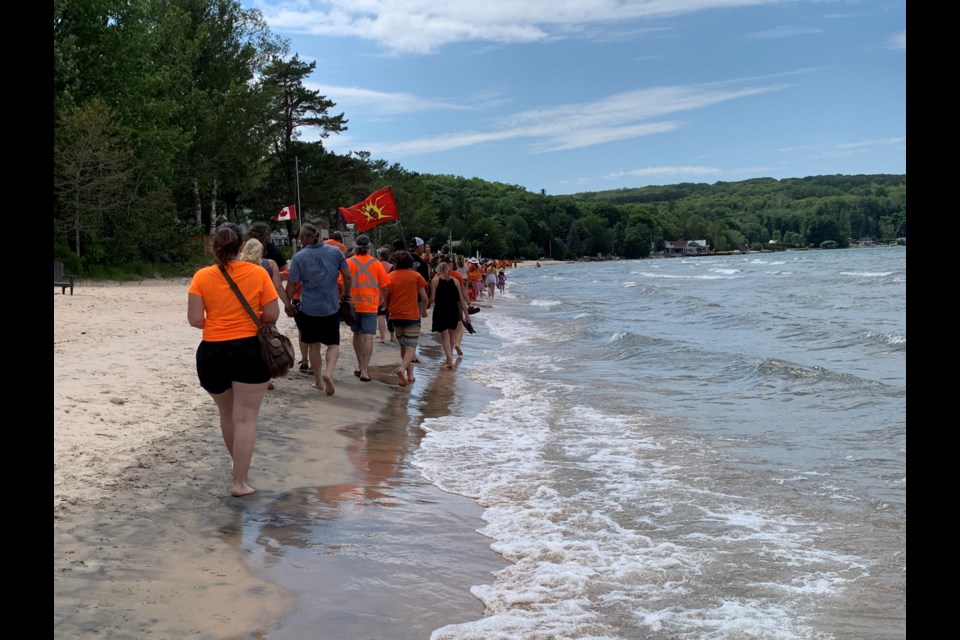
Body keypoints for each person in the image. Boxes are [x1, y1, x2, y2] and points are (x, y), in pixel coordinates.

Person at [187, 226, 279, 497]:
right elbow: (272, 314)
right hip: (249, 349)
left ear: (215, 248)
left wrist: (217, 323)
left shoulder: (202, 276)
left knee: (227, 413)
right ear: (241, 247)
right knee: (246, 418)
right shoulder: (258, 273)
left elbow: (194, 320)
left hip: (212, 351)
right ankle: (239, 482)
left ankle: (237, 462)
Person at [284, 223, 352, 396]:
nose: (300, 242)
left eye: (301, 239)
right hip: (330, 306)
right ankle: (329, 373)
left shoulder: (300, 257)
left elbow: (292, 283)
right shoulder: (335, 252)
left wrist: (288, 303)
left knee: (313, 345)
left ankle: (318, 381)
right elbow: (347, 275)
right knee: (333, 343)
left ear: (306, 238)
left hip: (309, 307)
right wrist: (346, 292)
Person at [346, 234, 390, 382]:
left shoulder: (349, 263)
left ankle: (359, 366)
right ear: (369, 247)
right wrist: (385, 301)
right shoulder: (376, 264)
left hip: (353, 305)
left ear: (355, 247)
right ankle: (365, 370)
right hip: (371, 304)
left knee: (357, 335)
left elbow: (340, 283)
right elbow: (385, 287)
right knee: (368, 336)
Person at [386, 250, 429, 387]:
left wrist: (386, 307)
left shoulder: (390, 276)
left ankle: (409, 375)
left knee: (403, 346)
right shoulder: (416, 276)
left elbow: (386, 297)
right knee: (411, 346)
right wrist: (424, 311)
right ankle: (402, 369)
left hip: (395, 315)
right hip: (412, 316)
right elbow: (424, 297)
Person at [429, 261, 471, 369]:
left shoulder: (435, 281)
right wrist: (467, 315)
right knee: (451, 335)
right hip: (453, 310)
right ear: (448, 270)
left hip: (441, 310)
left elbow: (432, 298)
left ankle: (449, 359)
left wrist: (427, 305)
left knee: (444, 337)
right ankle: (449, 357)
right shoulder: (456, 281)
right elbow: (461, 299)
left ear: (438, 270)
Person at [376, 245, 396, 343]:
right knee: (390, 315)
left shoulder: (376, 265)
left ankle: (382, 337)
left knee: (381, 315)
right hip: (390, 292)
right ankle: (392, 336)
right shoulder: (392, 267)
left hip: (378, 293)